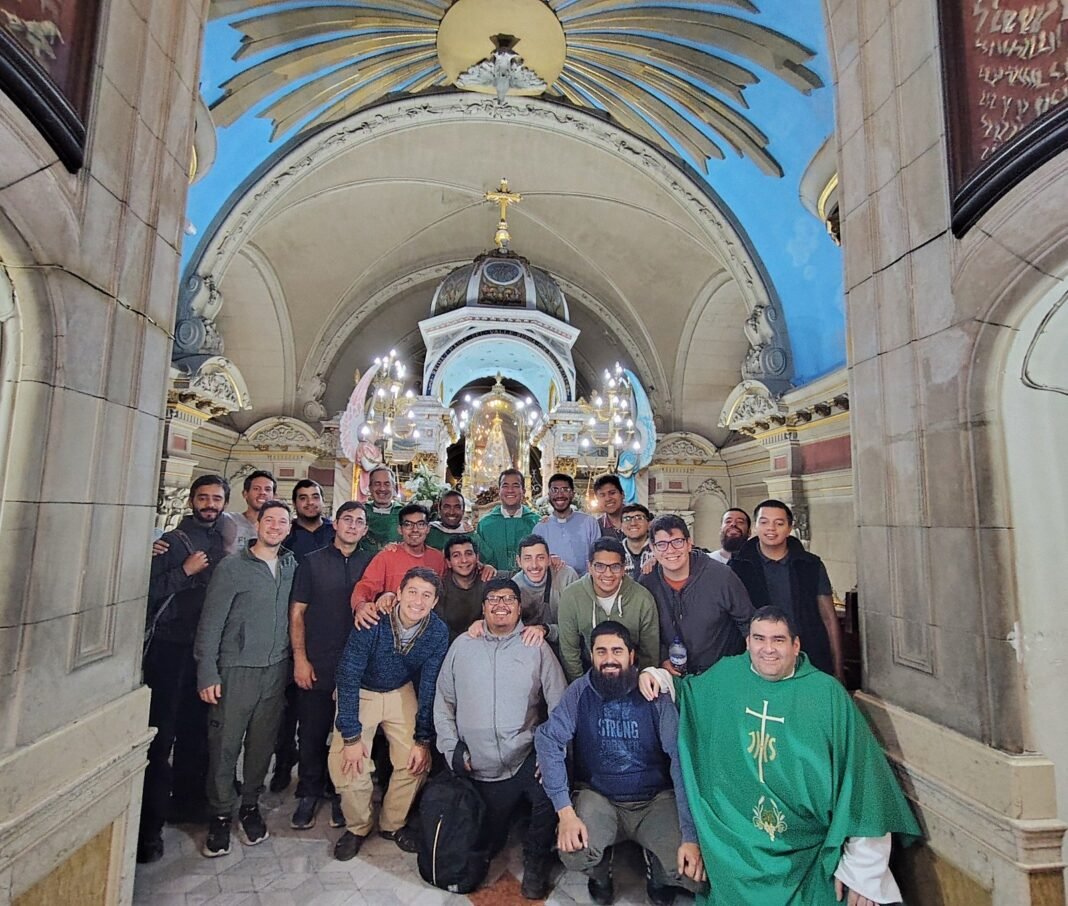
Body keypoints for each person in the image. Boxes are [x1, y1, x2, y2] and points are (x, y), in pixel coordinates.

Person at [644, 607, 921, 905]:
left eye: (778, 640)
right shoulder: (726, 676)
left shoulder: (826, 695)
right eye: (759, 639)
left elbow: (862, 784)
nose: (768, 649)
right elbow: (685, 693)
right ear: (748, 642)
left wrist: (862, 873)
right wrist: (655, 676)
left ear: (795, 645)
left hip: (806, 852)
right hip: (736, 844)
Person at [535, 621, 707, 906]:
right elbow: (548, 739)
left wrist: (690, 835)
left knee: (693, 875)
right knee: (573, 851)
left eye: (617, 650)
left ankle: (660, 873)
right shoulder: (580, 691)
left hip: (654, 800)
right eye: (601, 651)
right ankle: (601, 872)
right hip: (600, 798)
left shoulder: (653, 694)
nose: (609, 659)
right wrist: (565, 813)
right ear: (591, 655)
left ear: (631, 655)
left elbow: (679, 757)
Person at [434, 578, 567, 899]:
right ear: (483, 608)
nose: (501, 605)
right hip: (474, 765)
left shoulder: (536, 647)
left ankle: (536, 860)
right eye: (493, 599)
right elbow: (443, 702)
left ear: (519, 607)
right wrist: (451, 749)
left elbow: (560, 706)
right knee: (485, 844)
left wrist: (548, 753)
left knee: (551, 792)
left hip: (523, 759)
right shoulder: (463, 645)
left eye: (508, 599)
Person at [137, 475, 231, 863]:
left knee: (197, 733)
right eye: (204, 497)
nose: (210, 504)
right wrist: (186, 572)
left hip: (205, 652)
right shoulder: (173, 543)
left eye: (216, 498)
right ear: (192, 500)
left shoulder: (225, 542)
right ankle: (148, 831)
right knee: (162, 737)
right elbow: (146, 590)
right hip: (170, 651)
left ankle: (188, 803)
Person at [195, 500, 297, 858]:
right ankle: (221, 813)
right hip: (236, 669)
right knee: (225, 744)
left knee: (261, 745)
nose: (275, 527)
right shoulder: (233, 567)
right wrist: (207, 670)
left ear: (289, 527)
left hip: (275, 669)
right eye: (270, 520)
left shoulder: (290, 565)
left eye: (282, 522)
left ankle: (250, 804)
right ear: (258, 524)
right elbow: (211, 623)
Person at [328, 567, 449, 860]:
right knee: (346, 762)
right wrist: (352, 736)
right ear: (398, 593)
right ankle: (358, 826)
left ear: (434, 602)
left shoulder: (437, 631)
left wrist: (423, 740)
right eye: (412, 592)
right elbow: (347, 675)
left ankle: (392, 823)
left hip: (399, 689)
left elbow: (430, 684)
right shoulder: (373, 620)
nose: (418, 601)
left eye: (426, 595)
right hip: (362, 690)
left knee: (416, 760)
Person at [288, 501, 374, 831]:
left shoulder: (370, 564)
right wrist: (300, 658)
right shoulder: (311, 563)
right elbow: (297, 613)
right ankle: (308, 792)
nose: (352, 526)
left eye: (359, 522)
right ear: (334, 524)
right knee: (311, 731)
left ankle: (342, 792)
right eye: (347, 519)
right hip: (318, 659)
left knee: (349, 733)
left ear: (365, 530)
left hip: (357, 665)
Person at [730, 499, 845, 681]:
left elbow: (829, 618)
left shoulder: (811, 565)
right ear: (755, 527)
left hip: (809, 656)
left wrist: (839, 671)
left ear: (790, 528)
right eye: (764, 522)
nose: (771, 528)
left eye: (779, 523)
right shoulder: (738, 566)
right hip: (760, 658)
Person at [640, 514, 753, 676]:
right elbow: (645, 631)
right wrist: (662, 658)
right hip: (673, 676)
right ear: (652, 547)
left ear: (689, 543)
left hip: (721, 675)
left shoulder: (721, 576)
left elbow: (748, 623)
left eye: (677, 542)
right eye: (662, 544)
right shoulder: (648, 582)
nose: (670, 550)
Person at [557, 537, 660, 683]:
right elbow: (569, 652)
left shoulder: (643, 599)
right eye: (600, 566)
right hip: (589, 674)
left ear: (624, 568)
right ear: (589, 567)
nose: (608, 574)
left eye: (615, 567)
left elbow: (650, 653)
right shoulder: (571, 597)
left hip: (631, 676)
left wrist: (642, 683)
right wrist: (581, 686)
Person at [351, 503, 447, 627]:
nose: (415, 530)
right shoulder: (387, 556)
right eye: (408, 525)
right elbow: (365, 586)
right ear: (400, 529)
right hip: (390, 626)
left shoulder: (438, 558)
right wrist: (360, 606)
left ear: (428, 528)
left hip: (427, 628)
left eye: (420, 524)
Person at [534, 473, 601, 576]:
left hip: (584, 585)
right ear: (549, 495)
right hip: (551, 586)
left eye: (565, 490)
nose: (560, 495)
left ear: (573, 494)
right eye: (555, 490)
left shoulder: (589, 523)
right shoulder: (540, 528)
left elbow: (599, 556)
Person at [475, 468, 540, 571]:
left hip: (530, 584)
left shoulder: (536, 523)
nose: (510, 490)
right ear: (499, 490)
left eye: (515, 486)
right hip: (493, 584)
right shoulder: (485, 525)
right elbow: (479, 561)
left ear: (523, 490)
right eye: (505, 486)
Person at [436, 534, 486, 640]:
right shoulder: (439, 589)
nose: (464, 560)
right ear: (448, 562)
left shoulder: (488, 579)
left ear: (477, 558)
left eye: (468, 554)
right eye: (456, 555)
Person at [286, 478, 335, 562]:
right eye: (303, 498)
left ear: (323, 501)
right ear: (294, 503)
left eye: (315, 497)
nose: (310, 502)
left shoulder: (336, 532)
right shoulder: (285, 533)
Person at [364, 465, 404, 551]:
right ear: (370, 488)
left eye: (387, 484)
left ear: (394, 488)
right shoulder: (361, 512)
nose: (382, 488)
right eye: (377, 484)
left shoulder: (404, 514)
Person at [233, 469, 276, 548]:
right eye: (256, 488)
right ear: (245, 494)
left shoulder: (278, 526)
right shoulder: (228, 521)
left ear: (274, 496)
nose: (262, 492)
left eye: (267, 489)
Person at [620, 503, 656, 580]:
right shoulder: (615, 551)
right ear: (621, 526)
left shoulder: (661, 550)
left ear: (649, 524)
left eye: (639, 518)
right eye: (627, 519)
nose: (633, 523)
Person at [593, 474, 626, 539]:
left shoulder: (639, 520)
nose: (608, 499)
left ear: (622, 494)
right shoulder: (596, 527)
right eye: (602, 495)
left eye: (612, 493)